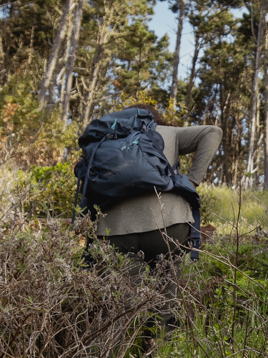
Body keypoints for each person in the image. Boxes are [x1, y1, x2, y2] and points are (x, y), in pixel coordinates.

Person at [93, 105, 222, 274]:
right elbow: (213, 132)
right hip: (169, 224)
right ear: (153, 118)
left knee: (125, 297)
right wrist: (192, 181)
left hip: (114, 230)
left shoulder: (105, 140)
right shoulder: (168, 132)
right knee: (166, 292)